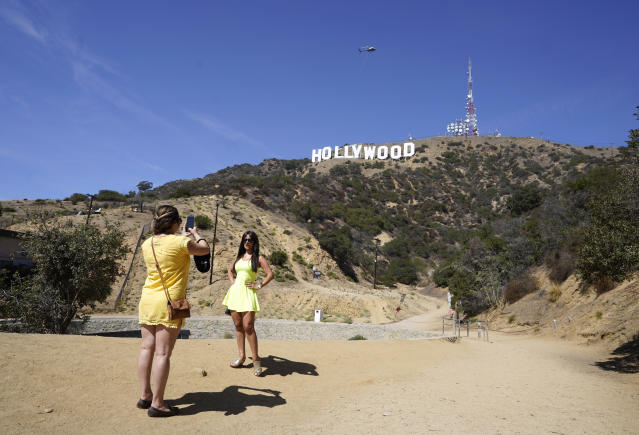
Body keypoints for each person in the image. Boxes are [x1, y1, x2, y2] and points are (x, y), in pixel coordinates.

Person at [136, 205, 209, 417]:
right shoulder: (181, 242)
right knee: (163, 353)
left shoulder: (147, 243)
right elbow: (204, 249)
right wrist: (195, 233)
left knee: (146, 349)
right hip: (169, 303)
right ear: (176, 223)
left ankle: (145, 395)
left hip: (147, 300)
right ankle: (158, 404)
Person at [223, 230, 274, 376]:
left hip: (248, 294)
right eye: (245, 239)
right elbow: (230, 270)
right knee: (238, 326)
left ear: (254, 242)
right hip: (235, 294)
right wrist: (233, 282)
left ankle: (256, 360)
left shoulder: (258, 258)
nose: (247, 242)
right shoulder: (239, 257)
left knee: (248, 327)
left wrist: (259, 285)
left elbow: (270, 274)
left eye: (250, 240)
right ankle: (241, 357)